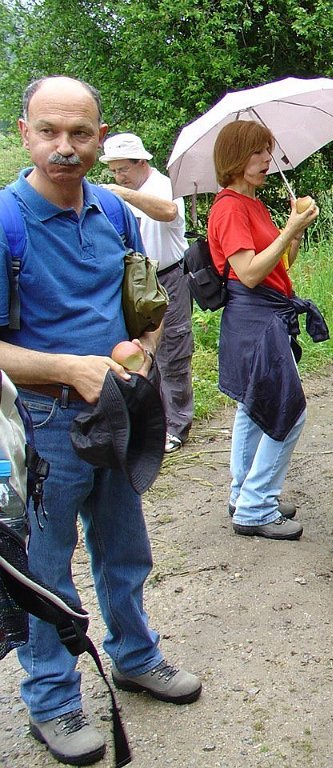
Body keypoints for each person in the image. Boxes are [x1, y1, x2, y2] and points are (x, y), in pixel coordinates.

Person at [0, 76, 201, 767]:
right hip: (43, 421)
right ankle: (52, 701)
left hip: (118, 407)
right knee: (44, 569)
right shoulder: (6, 222)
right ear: (24, 133)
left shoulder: (113, 210)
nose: (65, 146)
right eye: (49, 131)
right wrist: (68, 368)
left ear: (99, 137)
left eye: (80, 133)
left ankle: (136, 656)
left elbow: (148, 305)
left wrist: (140, 348)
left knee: (124, 548)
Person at [207, 120, 320, 541]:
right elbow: (250, 273)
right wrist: (288, 230)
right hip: (254, 318)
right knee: (288, 410)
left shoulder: (253, 204)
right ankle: (256, 507)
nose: (266, 159)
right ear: (235, 157)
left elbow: (279, 264)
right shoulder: (230, 207)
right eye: (257, 152)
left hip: (268, 313)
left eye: (267, 150)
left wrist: (294, 231)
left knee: (253, 409)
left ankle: (244, 495)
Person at [99, 132, 194, 454]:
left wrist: (123, 194)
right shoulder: (118, 196)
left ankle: (177, 426)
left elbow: (168, 212)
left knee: (174, 351)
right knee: (139, 352)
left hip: (168, 277)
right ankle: (150, 424)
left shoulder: (163, 185)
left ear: (141, 162)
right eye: (114, 171)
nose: (118, 176)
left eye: (123, 169)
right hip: (133, 283)